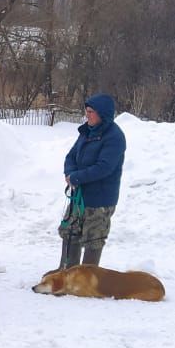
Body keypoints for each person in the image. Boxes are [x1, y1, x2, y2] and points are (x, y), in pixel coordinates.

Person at [59, 93, 126, 268]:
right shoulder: (86, 132)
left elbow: (104, 167)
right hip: (80, 195)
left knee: (93, 238)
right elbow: (71, 156)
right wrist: (70, 173)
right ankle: (67, 272)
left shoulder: (115, 137)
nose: (87, 115)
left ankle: (86, 279)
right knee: (70, 231)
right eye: (86, 111)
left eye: (91, 112)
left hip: (100, 199)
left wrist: (77, 177)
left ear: (102, 114)